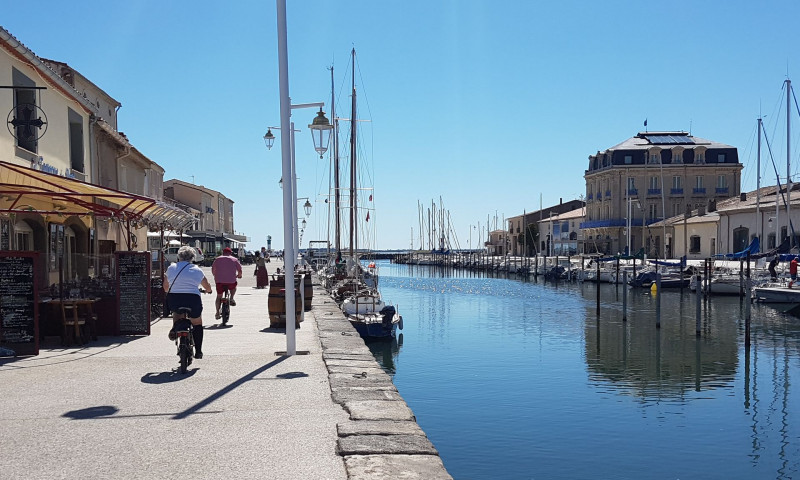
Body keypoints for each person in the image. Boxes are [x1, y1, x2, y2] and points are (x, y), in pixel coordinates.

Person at [163, 246, 212, 359]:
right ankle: (198, 351)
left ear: (178, 257)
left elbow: (166, 286)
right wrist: (209, 290)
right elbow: (206, 285)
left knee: (176, 311)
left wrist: (169, 291)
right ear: (192, 258)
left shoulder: (171, 268)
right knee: (197, 322)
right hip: (192, 299)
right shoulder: (197, 269)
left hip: (175, 298)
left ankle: (175, 328)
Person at [211, 247, 243, 319]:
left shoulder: (217, 259)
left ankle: (217, 313)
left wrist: (215, 275)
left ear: (223, 252)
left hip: (219, 281)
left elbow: (213, 269)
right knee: (233, 287)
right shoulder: (234, 259)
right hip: (231, 280)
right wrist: (239, 275)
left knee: (219, 296)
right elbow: (240, 269)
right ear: (230, 253)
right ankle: (231, 298)